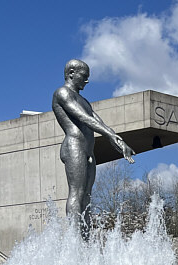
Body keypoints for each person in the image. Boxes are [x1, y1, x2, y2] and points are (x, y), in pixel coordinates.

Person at [52, 59, 135, 236]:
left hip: (88, 151)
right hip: (74, 146)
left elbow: (100, 123)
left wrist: (120, 143)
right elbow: (84, 118)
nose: (87, 81)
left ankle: (85, 237)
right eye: (84, 76)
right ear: (72, 72)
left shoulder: (85, 101)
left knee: (87, 196)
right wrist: (110, 135)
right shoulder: (62, 93)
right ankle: (74, 239)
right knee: (77, 192)